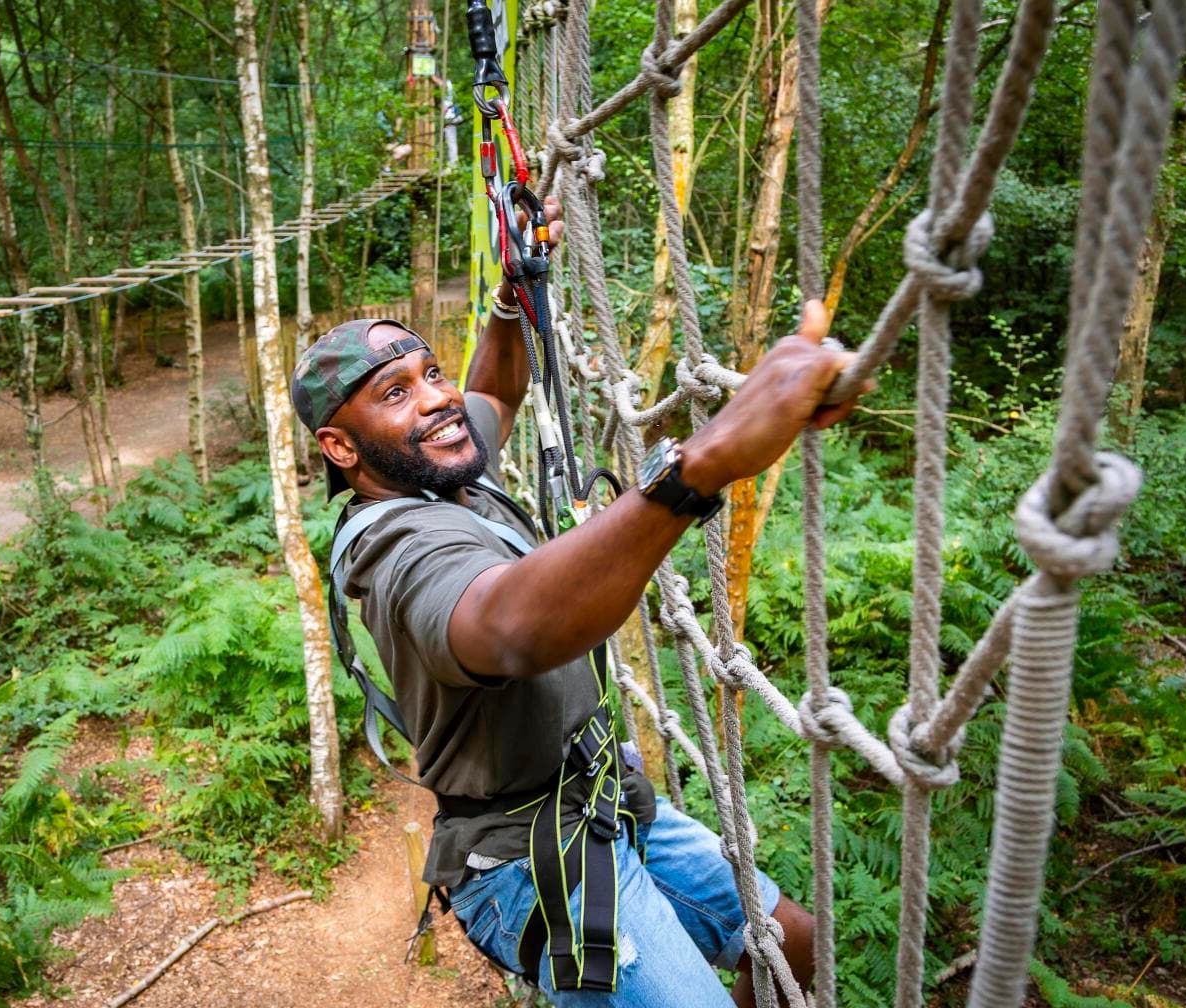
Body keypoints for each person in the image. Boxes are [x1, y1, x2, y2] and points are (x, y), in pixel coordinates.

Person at [290, 202, 867, 1006]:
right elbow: (509, 628)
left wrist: (507, 296)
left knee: (790, 948)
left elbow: (492, 387)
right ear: (341, 448)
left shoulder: (447, 461)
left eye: (430, 372)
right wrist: (702, 464)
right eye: (395, 392)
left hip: (606, 801)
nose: (436, 398)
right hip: (526, 859)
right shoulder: (395, 550)